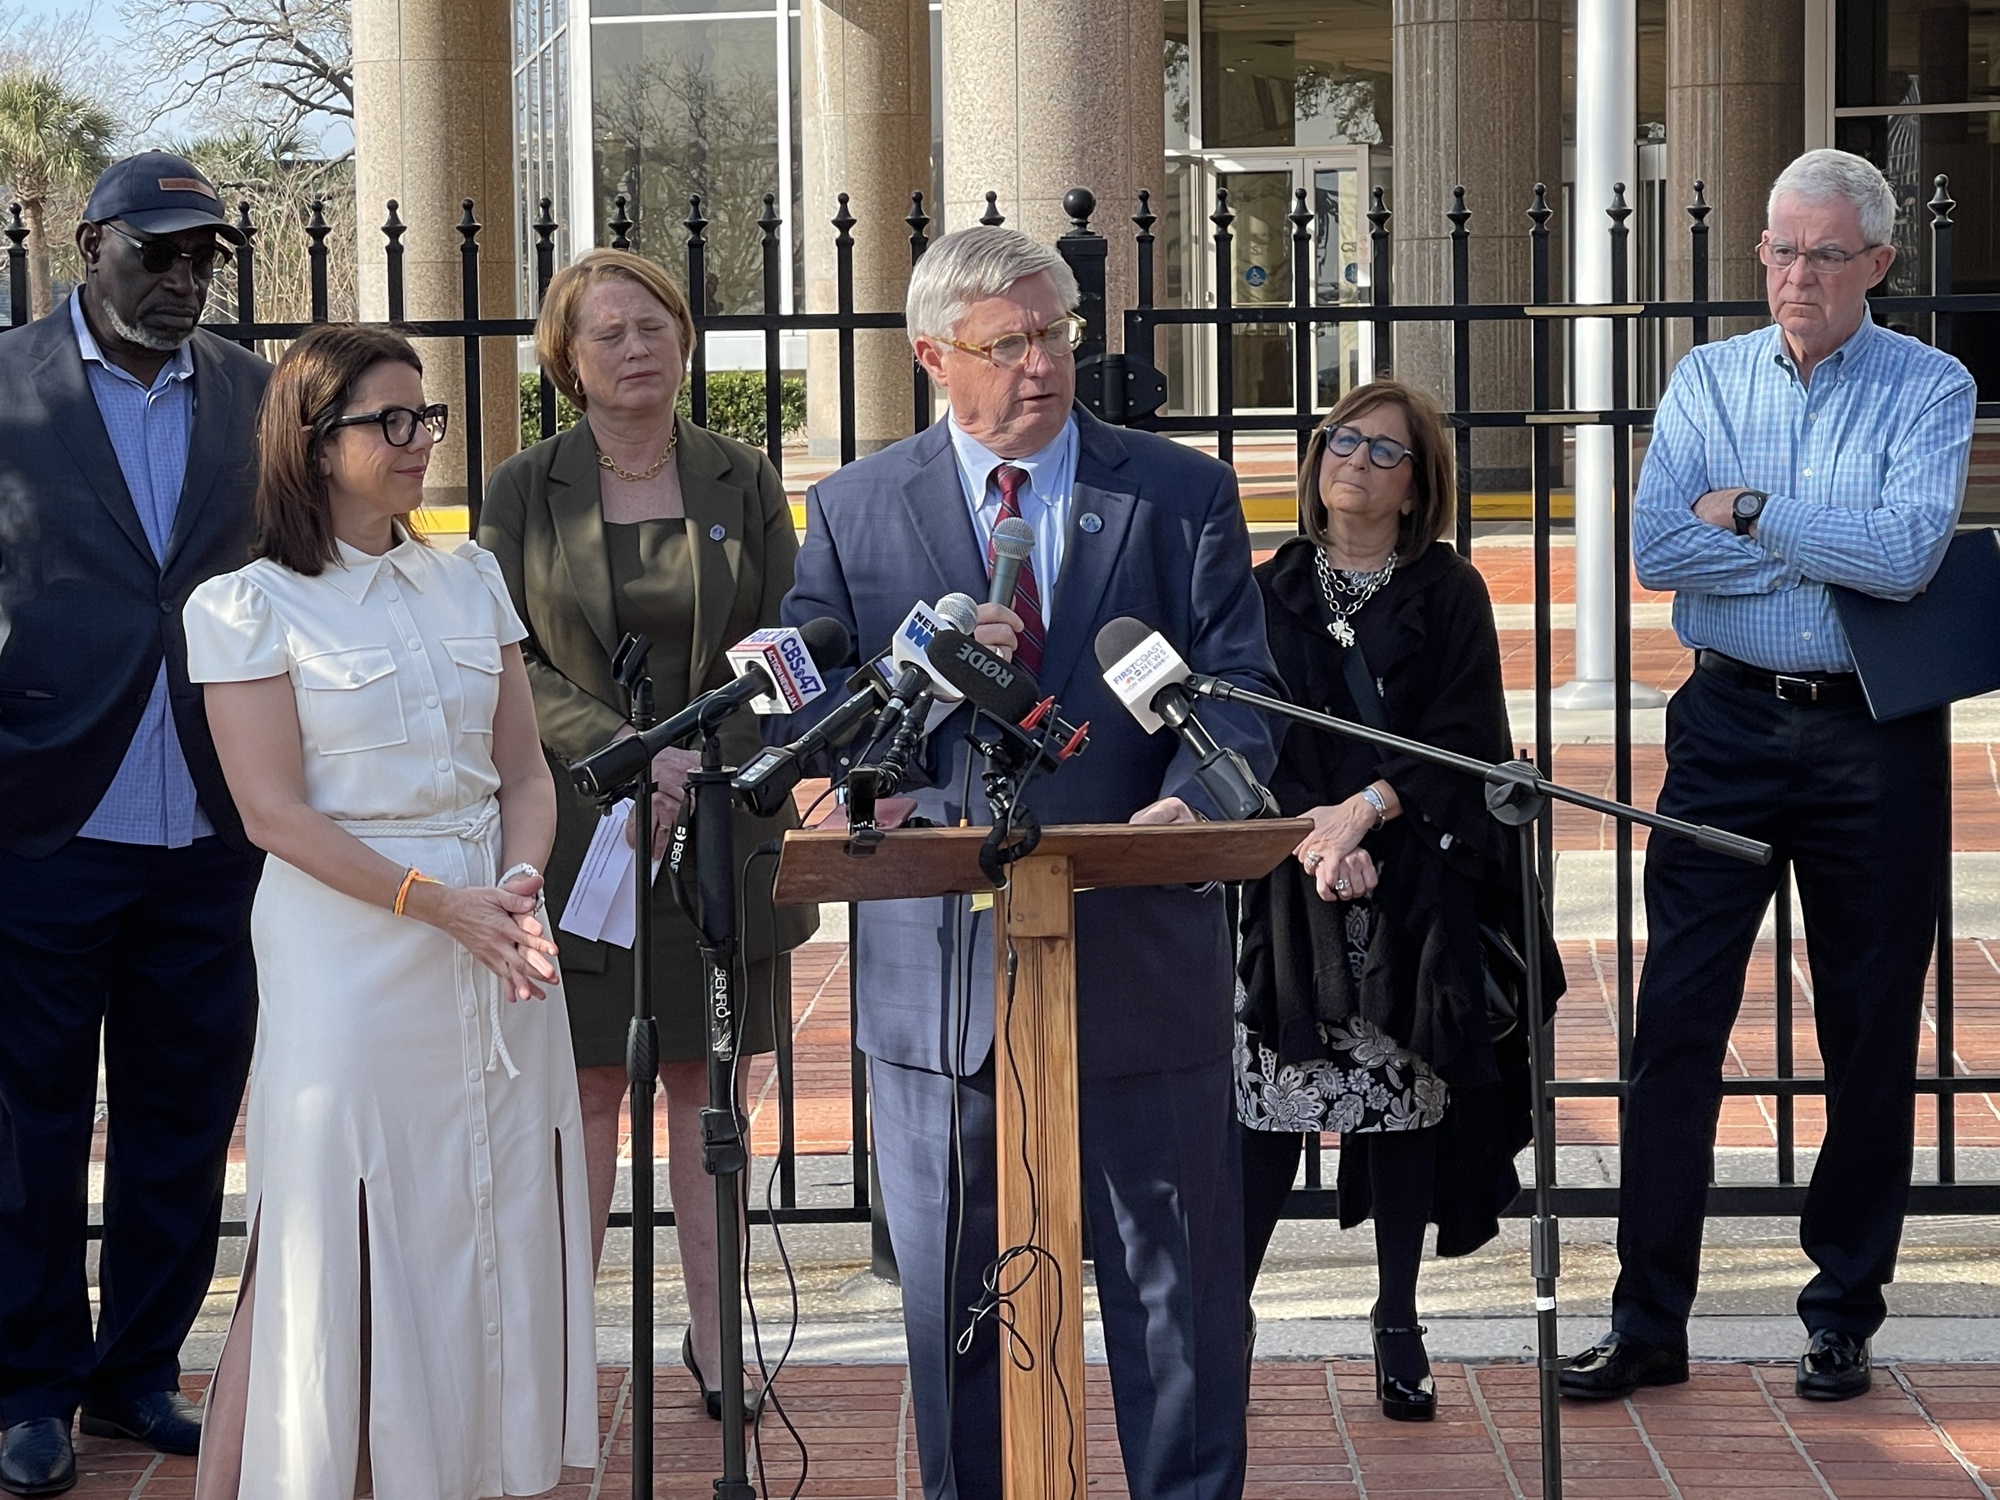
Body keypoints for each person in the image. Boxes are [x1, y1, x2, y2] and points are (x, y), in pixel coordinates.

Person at [777, 226, 1280, 1500]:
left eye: (1054, 336)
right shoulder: (851, 510)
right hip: (938, 979)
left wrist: (1186, 799)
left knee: (1173, 1292)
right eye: (1008, 346)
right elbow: (806, 714)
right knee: (956, 1291)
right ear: (932, 356)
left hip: (1137, 942)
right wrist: (920, 677)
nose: (1043, 367)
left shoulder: (1177, 494)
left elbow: (1237, 690)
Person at [1560, 148, 1976, 1405]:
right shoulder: (1704, 377)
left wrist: (1747, 515)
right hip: (1726, 726)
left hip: (1874, 737)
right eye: (1780, 250)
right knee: (1675, 1023)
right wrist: (1805, 541)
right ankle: (1647, 1320)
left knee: (1865, 1035)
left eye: (1825, 254)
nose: (1796, 275)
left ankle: (1841, 1310)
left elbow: (1905, 559)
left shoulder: (1931, 385)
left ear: (1878, 265)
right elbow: (1651, 544)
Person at [182, 325, 598, 1497]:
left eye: (428, 419)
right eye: (389, 422)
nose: (418, 442)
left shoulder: (468, 574)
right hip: (350, 944)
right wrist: (438, 905)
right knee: (341, 1222)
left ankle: (467, 1473)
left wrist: (514, 890)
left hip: (492, 931)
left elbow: (522, 772)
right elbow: (274, 816)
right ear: (313, 446)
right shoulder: (245, 605)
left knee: (490, 1205)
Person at [478, 249, 816, 1417]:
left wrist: (702, 759)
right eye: (609, 331)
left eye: (654, 325)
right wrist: (636, 758)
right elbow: (507, 657)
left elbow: (786, 641)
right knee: (582, 1096)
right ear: (566, 359)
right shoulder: (525, 486)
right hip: (583, 836)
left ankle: (719, 1346)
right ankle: (561, 1357)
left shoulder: (743, 475)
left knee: (708, 1092)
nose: (637, 347)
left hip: (720, 829)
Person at [0, 152, 269, 1496]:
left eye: (202, 257)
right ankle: (30, 1385)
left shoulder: (257, 394)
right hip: (45, 812)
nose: (182, 279)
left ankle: (138, 1376)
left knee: (182, 1112)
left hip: (215, 817)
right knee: (30, 1121)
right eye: (157, 253)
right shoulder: (4, 388)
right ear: (87, 245)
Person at [1236, 381, 1557, 1424]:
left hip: (1410, 876)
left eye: (1385, 451)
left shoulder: (1446, 590)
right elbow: (1244, 733)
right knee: (1267, 1104)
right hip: (1290, 882)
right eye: (1340, 441)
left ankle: (1396, 1318)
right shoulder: (1268, 586)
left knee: (1397, 1101)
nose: (1355, 462)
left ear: (1418, 488)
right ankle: (1218, 1316)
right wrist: (1309, 834)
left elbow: (1466, 733)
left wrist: (1365, 816)